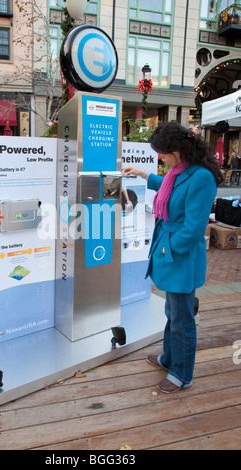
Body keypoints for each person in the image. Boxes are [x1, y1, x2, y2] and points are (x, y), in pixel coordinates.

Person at [123, 122, 223, 394]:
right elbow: (170, 184)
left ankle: (182, 373)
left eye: (163, 154)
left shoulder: (201, 177)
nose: (161, 159)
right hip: (170, 246)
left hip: (180, 253)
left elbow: (193, 228)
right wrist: (144, 174)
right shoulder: (181, 171)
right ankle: (169, 358)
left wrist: (169, 248)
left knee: (182, 317)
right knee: (172, 311)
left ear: (178, 151)